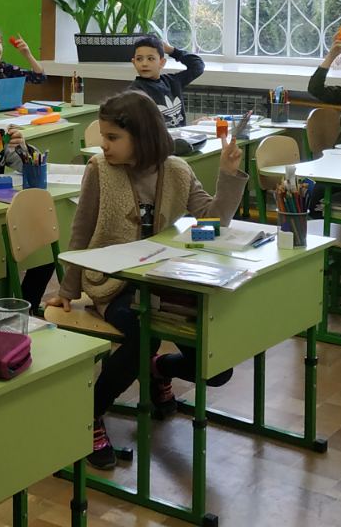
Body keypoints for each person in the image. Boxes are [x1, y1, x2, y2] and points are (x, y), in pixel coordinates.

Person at [43, 91, 248, 469]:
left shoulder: (177, 170)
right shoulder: (99, 170)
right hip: (114, 284)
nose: (103, 145)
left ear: (142, 136)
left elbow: (211, 225)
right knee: (143, 333)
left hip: (166, 280)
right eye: (102, 136)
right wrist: (68, 290)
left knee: (216, 363)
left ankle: (159, 369)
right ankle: (89, 414)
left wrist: (228, 175)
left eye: (112, 137)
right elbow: (81, 231)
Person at [127, 35, 205, 128]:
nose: (144, 64)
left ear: (162, 62)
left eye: (150, 58)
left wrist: (172, 51)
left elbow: (197, 66)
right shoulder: (134, 92)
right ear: (134, 63)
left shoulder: (173, 81)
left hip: (180, 135)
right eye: (139, 59)